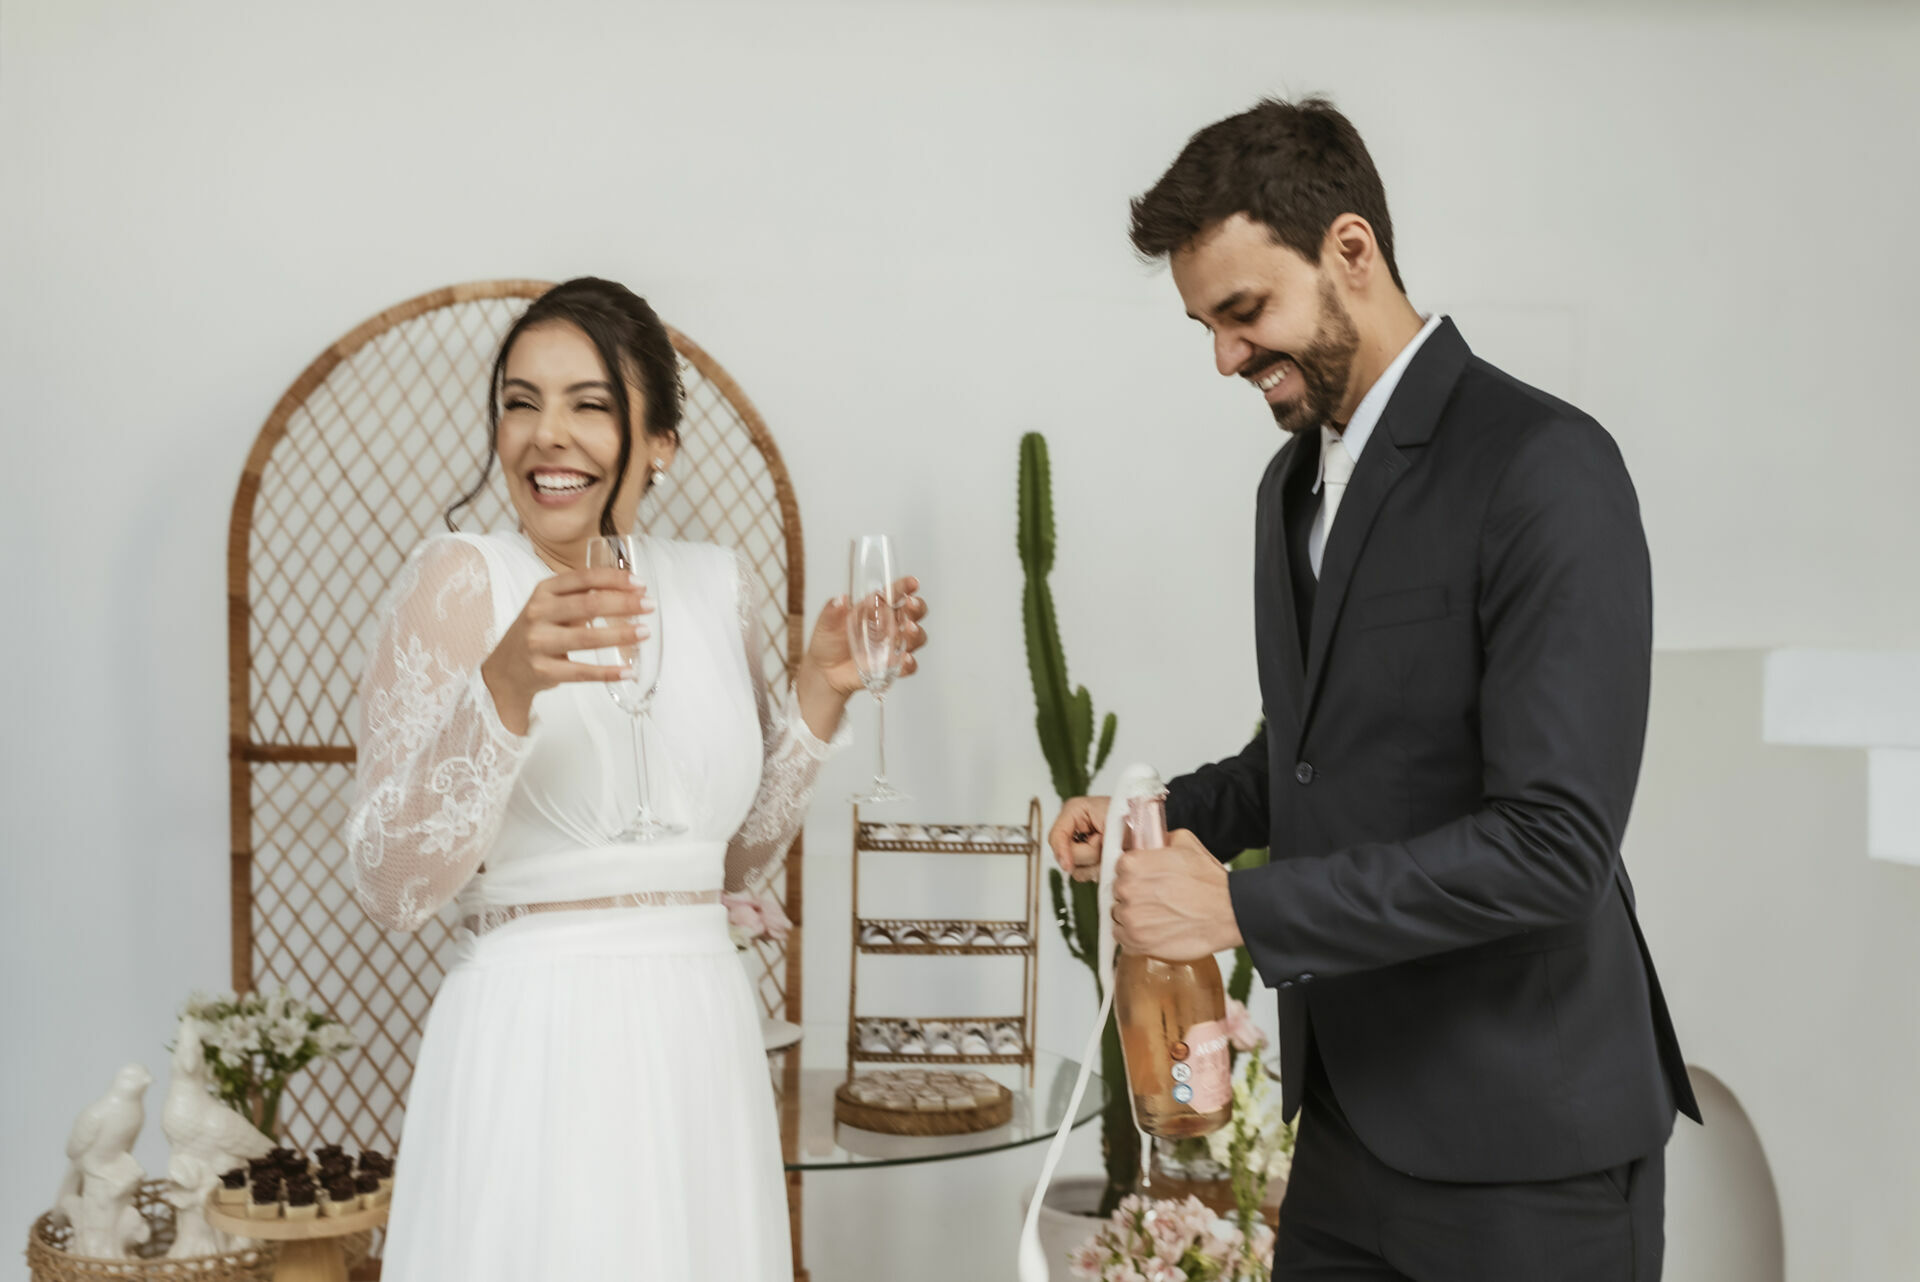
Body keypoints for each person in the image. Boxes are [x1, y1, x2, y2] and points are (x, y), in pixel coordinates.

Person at [1050, 99, 1697, 1281]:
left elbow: (1556, 846)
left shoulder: (1547, 466)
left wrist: (1241, 911)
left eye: (1244, 313)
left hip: (1531, 1158)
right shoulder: (1286, 489)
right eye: (1205, 324)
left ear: (1352, 249)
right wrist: (1171, 820)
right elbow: (1314, 756)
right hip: (1348, 1133)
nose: (1224, 356)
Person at [345, 277, 929, 1279]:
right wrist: (507, 685)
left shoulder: (716, 585)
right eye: (520, 402)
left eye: (590, 404)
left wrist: (820, 695)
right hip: (536, 1037)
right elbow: (391, 884)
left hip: (699, 1033)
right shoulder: (461, 577)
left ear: (659, 441)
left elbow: (732, 857)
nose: (545, 435)